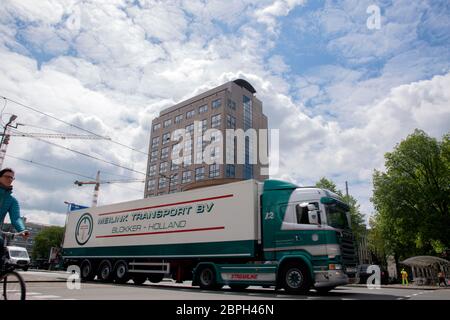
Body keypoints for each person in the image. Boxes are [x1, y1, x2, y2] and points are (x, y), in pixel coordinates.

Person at [0, 168, 29, 270]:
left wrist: (22, 230)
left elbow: (16, 218)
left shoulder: (12, 200)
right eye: (7, 176)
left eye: (12, 178)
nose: (10, 179)